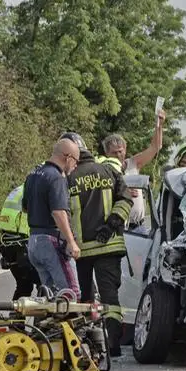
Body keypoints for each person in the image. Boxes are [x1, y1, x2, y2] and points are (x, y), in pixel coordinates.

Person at [67, 133, 133, 356]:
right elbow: (126, 199)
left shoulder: (68, 178)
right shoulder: (108, 171)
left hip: (81, 252)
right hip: (109, 246)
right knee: (110, 299)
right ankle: (113, 345)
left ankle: (90, 346)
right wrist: (112, 223)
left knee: (84, 300)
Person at [22, 138, 81, 299]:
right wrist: (71, 241)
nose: (76, 166)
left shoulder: (33, 175)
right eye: (76, 161)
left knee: (51, 297)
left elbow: (25, 207)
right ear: (68, 157)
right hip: (51, 242)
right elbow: (58, 212)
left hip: (34, 242)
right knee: (70, 294)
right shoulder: (56, 177)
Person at [101, 110, 166, 230]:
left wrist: (159, 125)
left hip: (139, 225)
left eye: (120, 151)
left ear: (125, 150)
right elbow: (101, 196)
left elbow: (155, 147)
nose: (118, 155)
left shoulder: (133, 163)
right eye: (114, 152)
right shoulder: (103, 170)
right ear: (107, 153)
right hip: (118, 227)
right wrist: (123, 193)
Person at [0, 183, 41, 300]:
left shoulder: (21, 188)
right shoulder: (38, 188)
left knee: (23, 287)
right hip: (23, 242)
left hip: (7, 243)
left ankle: (16, 312)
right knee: (45, 283)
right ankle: (44, 311)